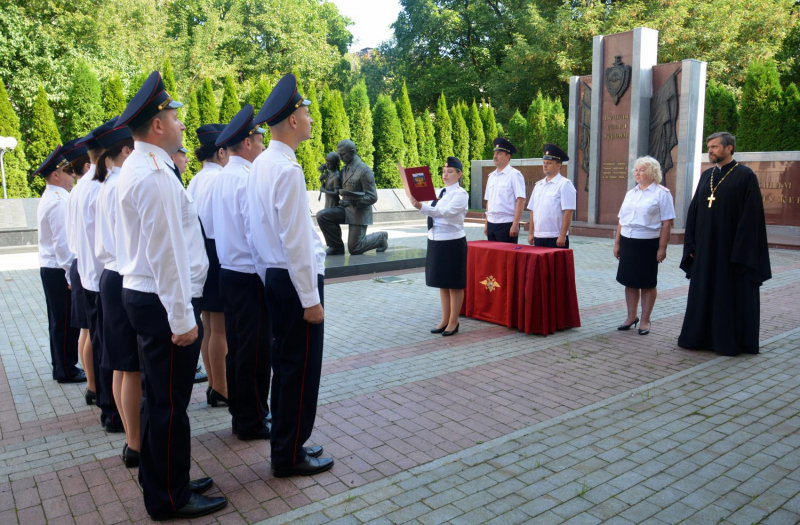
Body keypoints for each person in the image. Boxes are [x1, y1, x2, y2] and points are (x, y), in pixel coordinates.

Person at [116, 71, 226, 520]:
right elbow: (166, 255)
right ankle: (168, 497)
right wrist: (182, 320)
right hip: (164, 305)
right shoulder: (155, 176)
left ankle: (165, 478)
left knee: (161, 401)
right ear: (158, 125)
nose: (182, 123)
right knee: (168, 405)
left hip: (152, 299)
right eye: (175, 116)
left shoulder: (147, 166)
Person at [248, 73, 331, 477]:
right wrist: (310, 300)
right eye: (306, 111)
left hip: (276, 278)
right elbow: (297, 242)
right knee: (299, 371)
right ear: (293, 120)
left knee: (285, 367)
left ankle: (287, 442)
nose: (311, 118)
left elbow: (255, 231)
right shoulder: (286, 170)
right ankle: (289, 454)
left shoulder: (262, 164)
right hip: (296, 282)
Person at [678, 132, 771, 355]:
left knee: (726, 297)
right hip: (704, 250)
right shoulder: (707, 175)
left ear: (729, 148)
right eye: (709, 147)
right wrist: (691, 245)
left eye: (715, 147)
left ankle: (725, 341)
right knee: (703, 294)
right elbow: (694, 213)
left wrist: (739, 252)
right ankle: (698, 337)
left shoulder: (745, 175)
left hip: (729, 253)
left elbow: (751, 218)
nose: (710, 150)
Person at [212, 105, 272, 440]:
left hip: (228, 272)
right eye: (259, 138)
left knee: (238, 348)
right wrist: (268, 278)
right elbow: (255, 233)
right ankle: (252, 419)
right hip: (249, 275)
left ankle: (241, 414)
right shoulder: (246, 179)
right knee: (256, 352)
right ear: (246, 143)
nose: (262, 144)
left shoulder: (222, 177)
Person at [93, 120, 141, 467]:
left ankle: (130, 438)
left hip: (110, 274)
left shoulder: (106, 184)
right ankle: (136, 443)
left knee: (121, 366)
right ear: (126, 150)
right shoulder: (121, 181)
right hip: (122, 274)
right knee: (130, 367)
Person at [74, 118, 124, 433]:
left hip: (91, 274)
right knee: (111, 351)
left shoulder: (85, 186)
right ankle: (111, 411)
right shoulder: (100, 186)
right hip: (103, 273)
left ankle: (106, 404)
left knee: (103, 344)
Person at [33, 146, 85, 384]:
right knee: (65, 321)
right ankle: (66, 368)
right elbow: (63, 245)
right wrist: (69, 277)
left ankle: (62, 366)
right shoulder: (59, 201)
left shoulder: (54, 197)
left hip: (52, 266)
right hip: (58, 268)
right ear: (55, 175)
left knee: (59, 320)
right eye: (67, 171)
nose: (72, 175)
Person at [187, 124, 229, 400]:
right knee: (220, 327)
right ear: (221, 151)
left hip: (200, 253)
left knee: (209, 324)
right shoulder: (219, 179)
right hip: (217, 251)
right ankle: (222, 388)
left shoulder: (196, 179)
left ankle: (214, 385)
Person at [614, 156, 676, 336]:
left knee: (647, 283)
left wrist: (662, 248)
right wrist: (617, 243)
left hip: (648, 243)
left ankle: (645, 320)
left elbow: (666, 223)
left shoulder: (662, 193)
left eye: (642, 170)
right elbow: (621, 220)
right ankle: (631, 316)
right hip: (628, 242)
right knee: (629, 281)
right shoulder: (630, 193)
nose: (637, 173)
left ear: (653, 172)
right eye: (636, 170)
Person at [408, 157, 469, 337]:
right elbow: (435, 211)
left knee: (454, 283)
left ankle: (453, 321)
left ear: (459, 174)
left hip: (452, 242)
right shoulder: (440, 192)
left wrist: (421, 207)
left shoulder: (460, 194)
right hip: (436, 240)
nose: (445, 174)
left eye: (450, 171)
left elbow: (446, 213)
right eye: (444, 171)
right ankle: (444, 319)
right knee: (442, 282)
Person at [63, 137, 96, 401]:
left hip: (79, 262)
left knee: (86, 330)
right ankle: (95, 386)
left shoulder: (77, 190)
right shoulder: (92, 185)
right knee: (92, 331)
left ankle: (93, 386)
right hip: (89, 264)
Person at [316, 139, 389, 255]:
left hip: (359, 212)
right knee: (322, 216)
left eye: (343, 154)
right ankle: (336, 247)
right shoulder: (345, 168)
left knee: (355, 248)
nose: (340, 158)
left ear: (353, 151)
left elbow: (372, 197)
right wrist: (326, 169)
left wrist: (353, 202)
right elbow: (334, 175)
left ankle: (381, 237)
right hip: (345, 208)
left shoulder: (364, 171)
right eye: (339, 155)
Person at [527, 144, 576, 248]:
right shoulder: (538, 185)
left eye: (549, 163)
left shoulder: (564, 184)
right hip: (539, 236)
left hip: (555, 237)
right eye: (544, 163)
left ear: (558, 165)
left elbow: (568, 211)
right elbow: (533, 210)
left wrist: (562, 235)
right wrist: (531, 232)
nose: (545, 165)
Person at [484, 137, 526, 244]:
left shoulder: (514, 175)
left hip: (506, 223)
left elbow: (521, 200)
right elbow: (489, 201)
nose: (495, 156)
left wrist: (515, 224)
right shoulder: (491, 176)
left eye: (499, 154)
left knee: (507, 259)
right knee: (494, 258)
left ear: (508, 156)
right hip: (491, 223)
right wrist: (486, 223)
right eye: (494, 153)